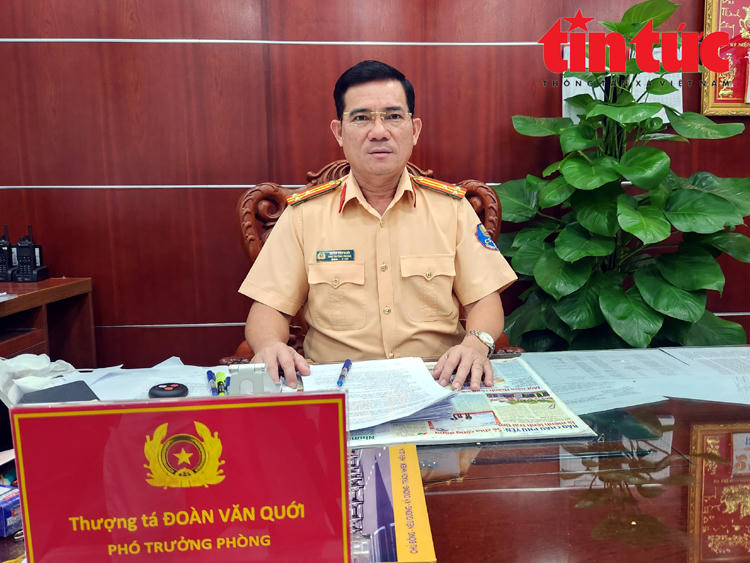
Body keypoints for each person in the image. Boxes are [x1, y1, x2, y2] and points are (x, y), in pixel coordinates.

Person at [239, 60, 516, 391]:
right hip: (337, 386)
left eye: (393, 116)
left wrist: (475, 344)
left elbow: (484, 300)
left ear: (414, 130)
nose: (379, 131)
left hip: (438, 381)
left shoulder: (452, 210)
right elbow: (268, 309)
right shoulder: (303, 215)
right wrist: (270, 344)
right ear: (339, 132)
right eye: (361, 118)